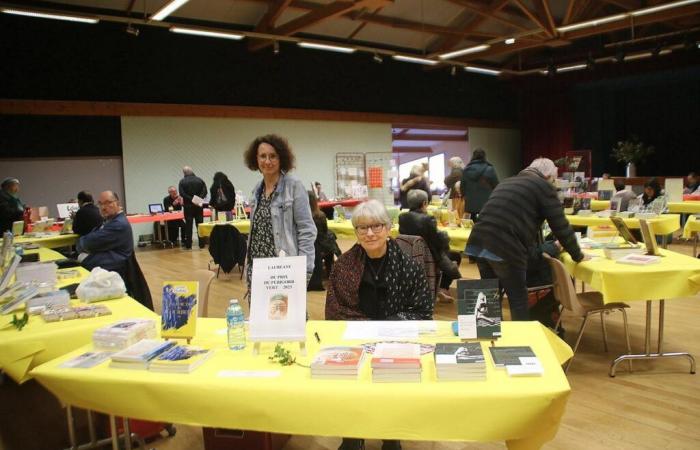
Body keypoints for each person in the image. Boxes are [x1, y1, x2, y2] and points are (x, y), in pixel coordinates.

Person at [326, 200, 432, 450]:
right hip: (356, 336)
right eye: (362, 228)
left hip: (397, 338)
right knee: (350, 384)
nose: (370, 233)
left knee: (391, 385)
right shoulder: (344, 265)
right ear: (355, 233)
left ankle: (391, 435)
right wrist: (367, 330)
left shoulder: (409, 267)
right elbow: (335, 311)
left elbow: (422, 311)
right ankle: (353, 435)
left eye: (376, 226)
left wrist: (386, 329)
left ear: (388, 228)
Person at [466, 158, 585, 321]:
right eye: (553, 179)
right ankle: (521, 344)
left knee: (488, 300)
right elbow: (561, 227)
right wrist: (578, 255)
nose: (553, 183)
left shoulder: (506, 182)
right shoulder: (543, 187)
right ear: (547, 176)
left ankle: (489, 340)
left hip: (478, 242)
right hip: (505, 247)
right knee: (518, 300)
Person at [244, 134, 316, 286]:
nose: (267, 161)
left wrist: (305, 270)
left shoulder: (294, 186)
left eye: (273, 156)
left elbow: (307, 230)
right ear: (256, 159)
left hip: (284, 269)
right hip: (257, 268)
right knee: (257, 310)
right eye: (262, 156)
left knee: (287, 309)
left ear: (281, 158)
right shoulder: (257, 189)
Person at [398, 189, 461, 302]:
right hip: (429, 257)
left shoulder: (402, 217)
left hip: (409, 255)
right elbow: (438, 241)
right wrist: (445, 236)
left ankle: (437, 289)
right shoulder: (427, 219)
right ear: (424, 203)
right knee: (456, 256)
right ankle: (441, 288)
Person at [77, 191, 133, 274]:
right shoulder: (108, 221)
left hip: (112, 270)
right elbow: (90, 240)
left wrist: (82, 244)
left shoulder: (118, 225)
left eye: (108, 203)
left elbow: (88, 243)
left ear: (117, 203)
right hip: (105, 266)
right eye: (100, 204)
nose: (103, 207)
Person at [308, 191, 340, 291]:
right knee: (331, 242)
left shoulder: (301, 217)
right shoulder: (320, 215)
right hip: (320, 245)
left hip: (311, 245)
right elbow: (324, 232)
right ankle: (330, 270)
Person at [460, 148, 499, 221]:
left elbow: (462, 187)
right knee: (486, 225)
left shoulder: (466, 170)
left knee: (471, 226)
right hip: (486, 204)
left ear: (473, 156)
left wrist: (465, 196)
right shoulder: (489, 169)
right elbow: (496, 186)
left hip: (470, 204)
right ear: (484, 156)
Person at [178, 166, 207, 249]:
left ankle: (188, 245)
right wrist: (197, 200)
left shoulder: (182, 182)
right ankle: (202, 244)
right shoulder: (200, 180)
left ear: (184, 173)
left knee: (188, 226)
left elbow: (182, 194)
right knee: (200, 224)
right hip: (198, 206)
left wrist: (191, 199)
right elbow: (205, 191)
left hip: (188, 207)